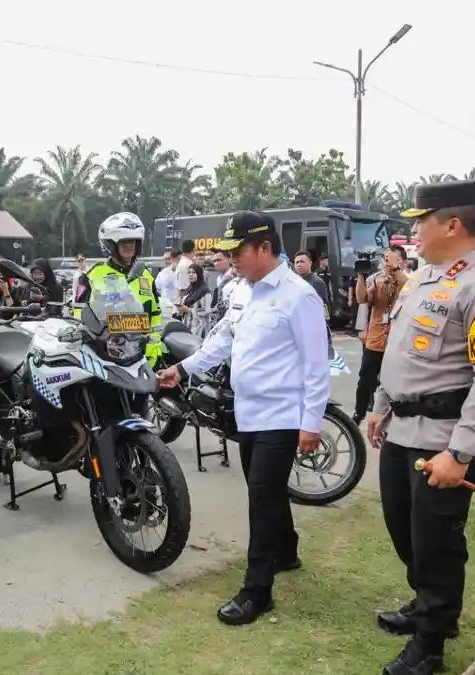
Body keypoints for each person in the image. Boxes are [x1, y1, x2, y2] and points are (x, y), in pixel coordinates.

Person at [366, 179, 475, 674]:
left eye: (420, 222)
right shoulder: (424, 277)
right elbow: (399, 351)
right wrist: (380, 404)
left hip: (441, 440)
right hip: (401, 431)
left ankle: (431, 642)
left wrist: (460, 453)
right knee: (403, 531)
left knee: (437, 544)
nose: (414, 232)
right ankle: (423, 602)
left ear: (452, 224)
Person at [157, 210, 329, 627]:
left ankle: (257, 590)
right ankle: (286, 551)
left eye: (238, 251)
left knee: (261, 496)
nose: (231, 259)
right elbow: (221, 341)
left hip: (282, 416)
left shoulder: (298, 295)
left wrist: (311, 423)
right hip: (247, 412)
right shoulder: (241, 290)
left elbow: (316, 365)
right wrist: (183, 369)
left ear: (265, 248)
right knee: (265, 488)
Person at [73, 212, 163, 366]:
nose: (130, 246)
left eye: (134, 242)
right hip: (107, 355)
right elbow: (78, 316)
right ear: (110, 245)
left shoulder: (146, 275)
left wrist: (155, 345)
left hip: (144, 356)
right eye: (124, 242)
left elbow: (155, 315)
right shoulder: (92, 276)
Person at [352, 246, 409, 424]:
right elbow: (362, 299)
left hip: (398, 338)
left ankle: (395, 414)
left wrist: (396, 272)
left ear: (401, 261)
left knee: (395, 378)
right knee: (366, 378)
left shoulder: (409, 280)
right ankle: (359, 412)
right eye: (385, 257)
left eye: (391, 258)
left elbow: (406, 291)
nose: (386, 261)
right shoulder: (375, 279)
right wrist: (361, 276)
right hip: (376, 338)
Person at [174, 262, 212, 335]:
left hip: (199, 330)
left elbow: (206, 313)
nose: (190, 275)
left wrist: (188, 310)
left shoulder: (205, 292)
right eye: (189, 273)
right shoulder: (189, 290)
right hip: (187, 326)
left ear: (199, 275)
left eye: (194, 272)